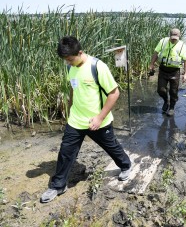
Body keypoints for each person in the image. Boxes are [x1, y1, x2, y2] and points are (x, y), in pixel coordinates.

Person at [40, 36, 131, 203]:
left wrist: (99, 117)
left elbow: (114, 93)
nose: (67, 63)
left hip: (98, 121)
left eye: (69, 59)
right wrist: (70, 107)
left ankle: (125, 165)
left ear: (80, 52)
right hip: (76, 119)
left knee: (111, 146)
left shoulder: (97, 67)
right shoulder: (70, 68)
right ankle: (58, 185)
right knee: (66, 152)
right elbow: (74, 88)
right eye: (65, 60)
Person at [149, 28, 186, 116]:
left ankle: (171, 107)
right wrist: (151, 64)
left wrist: (185, 74)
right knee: (161, 90)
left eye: (176, 38)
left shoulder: (182, 45)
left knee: (173, 92)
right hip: (163, 70)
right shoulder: (163, 42)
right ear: (169, 36)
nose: (174, 39)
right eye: (172, 38)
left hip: (175, 72)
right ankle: (166, 101)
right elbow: (156, 53)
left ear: (179, 36)